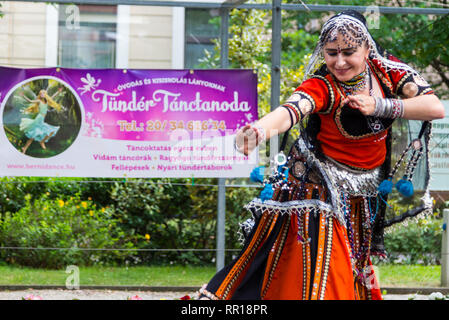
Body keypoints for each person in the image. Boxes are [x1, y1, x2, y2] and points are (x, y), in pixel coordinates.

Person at [198, 10, 444, 300]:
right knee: (326, 273)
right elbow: (290, 110)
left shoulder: (390, 72)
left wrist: (379, 105)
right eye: (331, 53)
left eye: (349, 52)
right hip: (318, 193)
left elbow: (433, 107)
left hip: (362, 196)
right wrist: (259, 131)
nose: (339, 62)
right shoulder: (323, 84)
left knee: (351, 268)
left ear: (368, 48)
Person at [20, 88, 63, 154]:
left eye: (43, 93)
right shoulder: (39, 101)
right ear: (39, 95)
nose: (42, 94)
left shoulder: (47, 101)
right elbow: (30, 101)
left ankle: (39, 142)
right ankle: (26, 148)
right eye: (41, 93)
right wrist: (23, 96)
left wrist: (58, 91)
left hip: (42, 119)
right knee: (33, 135)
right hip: (39, 119)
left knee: (51, 131)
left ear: (45, 94)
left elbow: (53, 97)